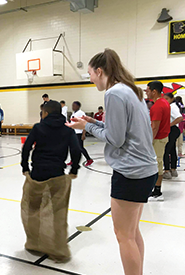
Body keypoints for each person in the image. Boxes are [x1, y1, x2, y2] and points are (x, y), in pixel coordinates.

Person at [67, 49, 158, 275]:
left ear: (100, 71)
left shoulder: (113, 93)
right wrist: (91, 121)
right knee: (133, 232)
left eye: (90, 74)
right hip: (145, 170)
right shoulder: (130, 90)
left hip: (131, 172)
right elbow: (120, 131)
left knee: (123, 235)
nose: (90, 79)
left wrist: (84, 127)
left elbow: (115, 139)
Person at [21, 101, 80, 263]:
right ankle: (57, 248)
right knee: (58, 212)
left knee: (33, 209)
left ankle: (34, 243)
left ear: (45, 113)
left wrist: (25, 167)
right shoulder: (67, 130)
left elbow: (26, 148)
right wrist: (74, 169)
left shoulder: (38, 128)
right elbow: (76, 150)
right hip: (57, 174)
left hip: (38, 172)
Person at [145, 81, 170, 202]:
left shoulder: (157, 106)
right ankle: (154, 188)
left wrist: (149, 142)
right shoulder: (164, 102)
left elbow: (155, 127)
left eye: (147, 90)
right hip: (162, 137)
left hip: (158, 139)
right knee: (157, 162)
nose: (146, 92)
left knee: (157, 163)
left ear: (154, 91)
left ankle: (157, 191)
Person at [162, 93, 182, 179]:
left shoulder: (172, 107)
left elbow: (179, 118)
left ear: (172, 99)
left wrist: (169, 125)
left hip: (172, 130)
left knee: (166, 150)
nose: (165, 100)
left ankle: (167, 170)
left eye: (167, 98)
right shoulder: (171, 106)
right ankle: (173, 169)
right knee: (172, 149)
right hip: (173, 130)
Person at [67, 101, 93, 167]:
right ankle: (72, 160)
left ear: (78, 106)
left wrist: (83, 134)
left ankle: (89, 159)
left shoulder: (81, 113)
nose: (73, 107)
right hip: (73, 132)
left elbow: (85, 123)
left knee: (80, 148)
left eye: (74, 106)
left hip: (79, 133)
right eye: (72, 105)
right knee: (72, 148)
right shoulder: (74, 113)